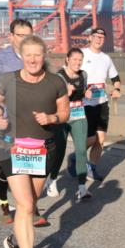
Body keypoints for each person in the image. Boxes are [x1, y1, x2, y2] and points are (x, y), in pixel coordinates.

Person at [0, 35, 69, 248]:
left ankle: (15, 241)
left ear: (44, 55)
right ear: (21, 56)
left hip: (42, 150)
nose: (33, 59)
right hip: (12, 148)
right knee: (24, 204)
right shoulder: (7, 80)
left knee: (31, 204)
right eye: (29, 54)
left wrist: (52, 119)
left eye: (38, 54)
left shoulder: (56, 82)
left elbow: (65, 112)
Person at [0, 18, 49, 226]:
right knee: (9, 163)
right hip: (9, 121)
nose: (25, 40)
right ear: (11, 36)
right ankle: (3, 202)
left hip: (35, 121)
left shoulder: (37, 57)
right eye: (21, 36)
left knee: (33, 164)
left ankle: (30, 204)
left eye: (29, 36)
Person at [47, 48, 91, 202]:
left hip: (79, 115)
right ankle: (52, 180)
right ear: (67, 59)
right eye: (75, 59)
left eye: (80, 60)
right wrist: (66, 94)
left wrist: (86, 93)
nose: (78, 63)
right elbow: (51, 98)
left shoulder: (83, 75)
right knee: (59, 151)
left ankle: (82, 188)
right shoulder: (59, 77)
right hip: (62, 117)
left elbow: (84, 91)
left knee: (81, 151)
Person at [79, 28, 121, 183]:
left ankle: (92, 168)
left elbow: (116, 77)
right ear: (90, 38)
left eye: (102, 37)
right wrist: (81, 90)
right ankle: (76, 157)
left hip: (102, 103)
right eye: (96, 36)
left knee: (101, 140)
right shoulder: (81, 54)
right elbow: (69, 74)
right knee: (90, 140)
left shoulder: (106, 58)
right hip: (85, 104)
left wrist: (116, 88)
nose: (99, 39)